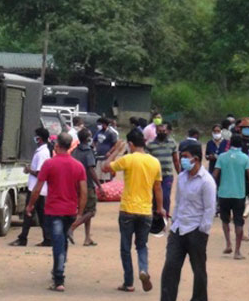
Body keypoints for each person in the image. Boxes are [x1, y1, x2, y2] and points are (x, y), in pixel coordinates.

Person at [149, 145, 215, 301]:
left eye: (185, 156)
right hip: (178, 229)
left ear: (196, 158)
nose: (182, 159)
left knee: (199, 271)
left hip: (196, 231)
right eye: (180, 156)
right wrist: (173, 224)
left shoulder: (206, 181)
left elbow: (209, 209)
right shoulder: (183, 178)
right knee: (170, 267)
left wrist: (203, 231)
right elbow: (178, 202)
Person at [102, 129, 164, 292]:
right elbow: (158, 188)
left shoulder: (128, 159)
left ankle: (128, 282)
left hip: (128, 209)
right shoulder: (154, 162)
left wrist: (116, 150)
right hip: (146, 210)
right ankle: (143, 269)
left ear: (130, 144)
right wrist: (160, 208)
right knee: (142, 245)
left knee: (125, 247)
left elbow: (105, 168)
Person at [26, 133, 87, 292]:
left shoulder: (49, 164)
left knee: (58, 243)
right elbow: (83, 191)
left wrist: (30, 205)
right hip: (70, 210)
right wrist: (80, 213)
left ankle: (59, 278)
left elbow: (37, 188)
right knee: (63, 240)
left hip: (54, 210)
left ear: (58, 146)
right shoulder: (78, 165)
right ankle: (59, 267)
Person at [213, 136, 249, 260]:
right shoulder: (245, 158)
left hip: (223, 193)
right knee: (238, 221)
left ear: (230, 144)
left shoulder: (222, 157)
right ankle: (237, 251)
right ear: (241, 144)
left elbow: (215, 174)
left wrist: (214, 188)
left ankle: (228, 244)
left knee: (225, 220)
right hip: (239, 194)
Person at [10, 127, 52, 247]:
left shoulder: (43, 153)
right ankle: (47, 238)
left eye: (36, 136)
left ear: (40, 138)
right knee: (41, 215)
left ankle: (23, 238)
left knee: (28, 213)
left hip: (36, 189)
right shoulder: (41, 151)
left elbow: (40, 173)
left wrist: (29, 170)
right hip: (38, 189)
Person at [70, 128, 100, 246]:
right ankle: (72, 227)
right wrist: (99, 185)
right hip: (87, 185)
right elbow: (91, 169)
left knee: (86, 210)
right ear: (88, 138)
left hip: (76, 185)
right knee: (91, 211)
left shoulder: (75, 151)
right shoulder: (89, 151)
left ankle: (87, 238)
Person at [146, 123, 178, 213]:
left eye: (164, 131)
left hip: (167, 175)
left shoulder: (172, 143)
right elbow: (146, 160)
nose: (162, 133)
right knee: (155, 198)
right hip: (154, 176)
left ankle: (165, 217)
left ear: (167, 131)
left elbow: (175, 160)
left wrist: (180, 173)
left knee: (166, 197)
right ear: (156, 131)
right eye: (159, 131)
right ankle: (155, 218)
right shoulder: (150, 144)